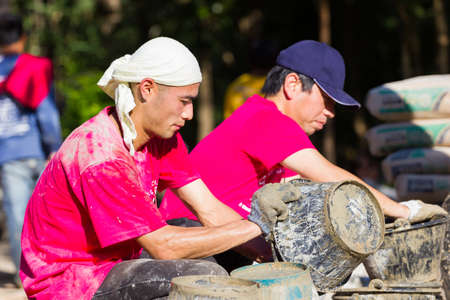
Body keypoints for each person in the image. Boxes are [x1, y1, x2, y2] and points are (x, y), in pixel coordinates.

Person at [19, 36, 265, 300]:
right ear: (147, 88)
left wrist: (272, 252)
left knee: (199, 233)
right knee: (205, 277)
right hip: (71, 281)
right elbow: (164, 247)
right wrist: (259, 225)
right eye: (184, 101)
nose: (189, 114)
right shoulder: (101, 156)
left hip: (117, 259)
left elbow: (210, 210)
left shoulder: (162, 139)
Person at [160, 40, 447, 253]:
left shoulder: (266, 124)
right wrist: (404, 211)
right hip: (193, 237)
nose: (331, 112)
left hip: (226, 238)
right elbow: (331, 177)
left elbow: (318, 196)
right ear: (293, 85)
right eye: (327, 100)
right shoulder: (266, 119)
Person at [0, 13, 62, 283]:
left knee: (18, 218)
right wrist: (55, 147)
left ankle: (24, 276)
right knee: (50, 216)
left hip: (9, 155)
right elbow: (47, 113)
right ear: (23, 38)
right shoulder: (34, 67)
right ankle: (54, 270)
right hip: (39, 151)